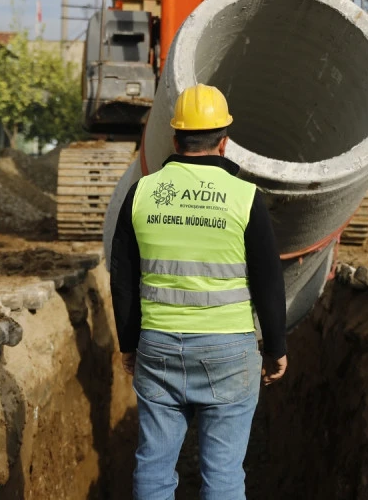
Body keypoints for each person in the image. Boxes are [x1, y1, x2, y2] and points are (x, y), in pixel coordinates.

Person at [110, 83, 287, 500]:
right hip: (228, 351)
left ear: (175, 139)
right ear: (224, 142)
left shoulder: (143, 193)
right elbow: (267, 279)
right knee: (223, 476)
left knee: (153, 470)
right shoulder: (245, 198)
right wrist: (276, 346)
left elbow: (123, 275)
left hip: (158, 346)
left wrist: (129, 343)